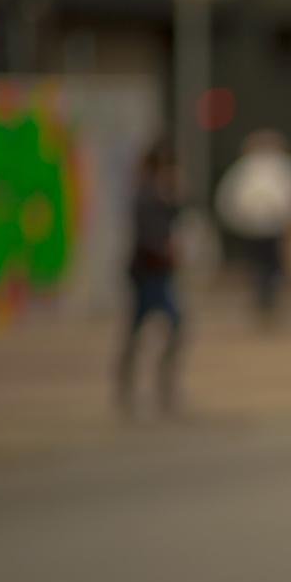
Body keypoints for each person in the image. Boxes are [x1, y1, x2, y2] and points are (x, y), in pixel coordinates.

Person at [214, 129, 291, 318]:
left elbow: (227, 199)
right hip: (261, 227)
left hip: (265, 227)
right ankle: (265, 299)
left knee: (266, 265)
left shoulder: (250, 167)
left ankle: (266, 299)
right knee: (266, 265)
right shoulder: (276, 166)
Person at [117, 139, 182, 414]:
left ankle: (141, 383)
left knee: (146, 327)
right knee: (171, 323)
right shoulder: (146, 196)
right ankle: (138, 383)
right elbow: (150, 237)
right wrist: (168, 249)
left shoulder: (160, 194)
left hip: (156, 273)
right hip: (147, 273)